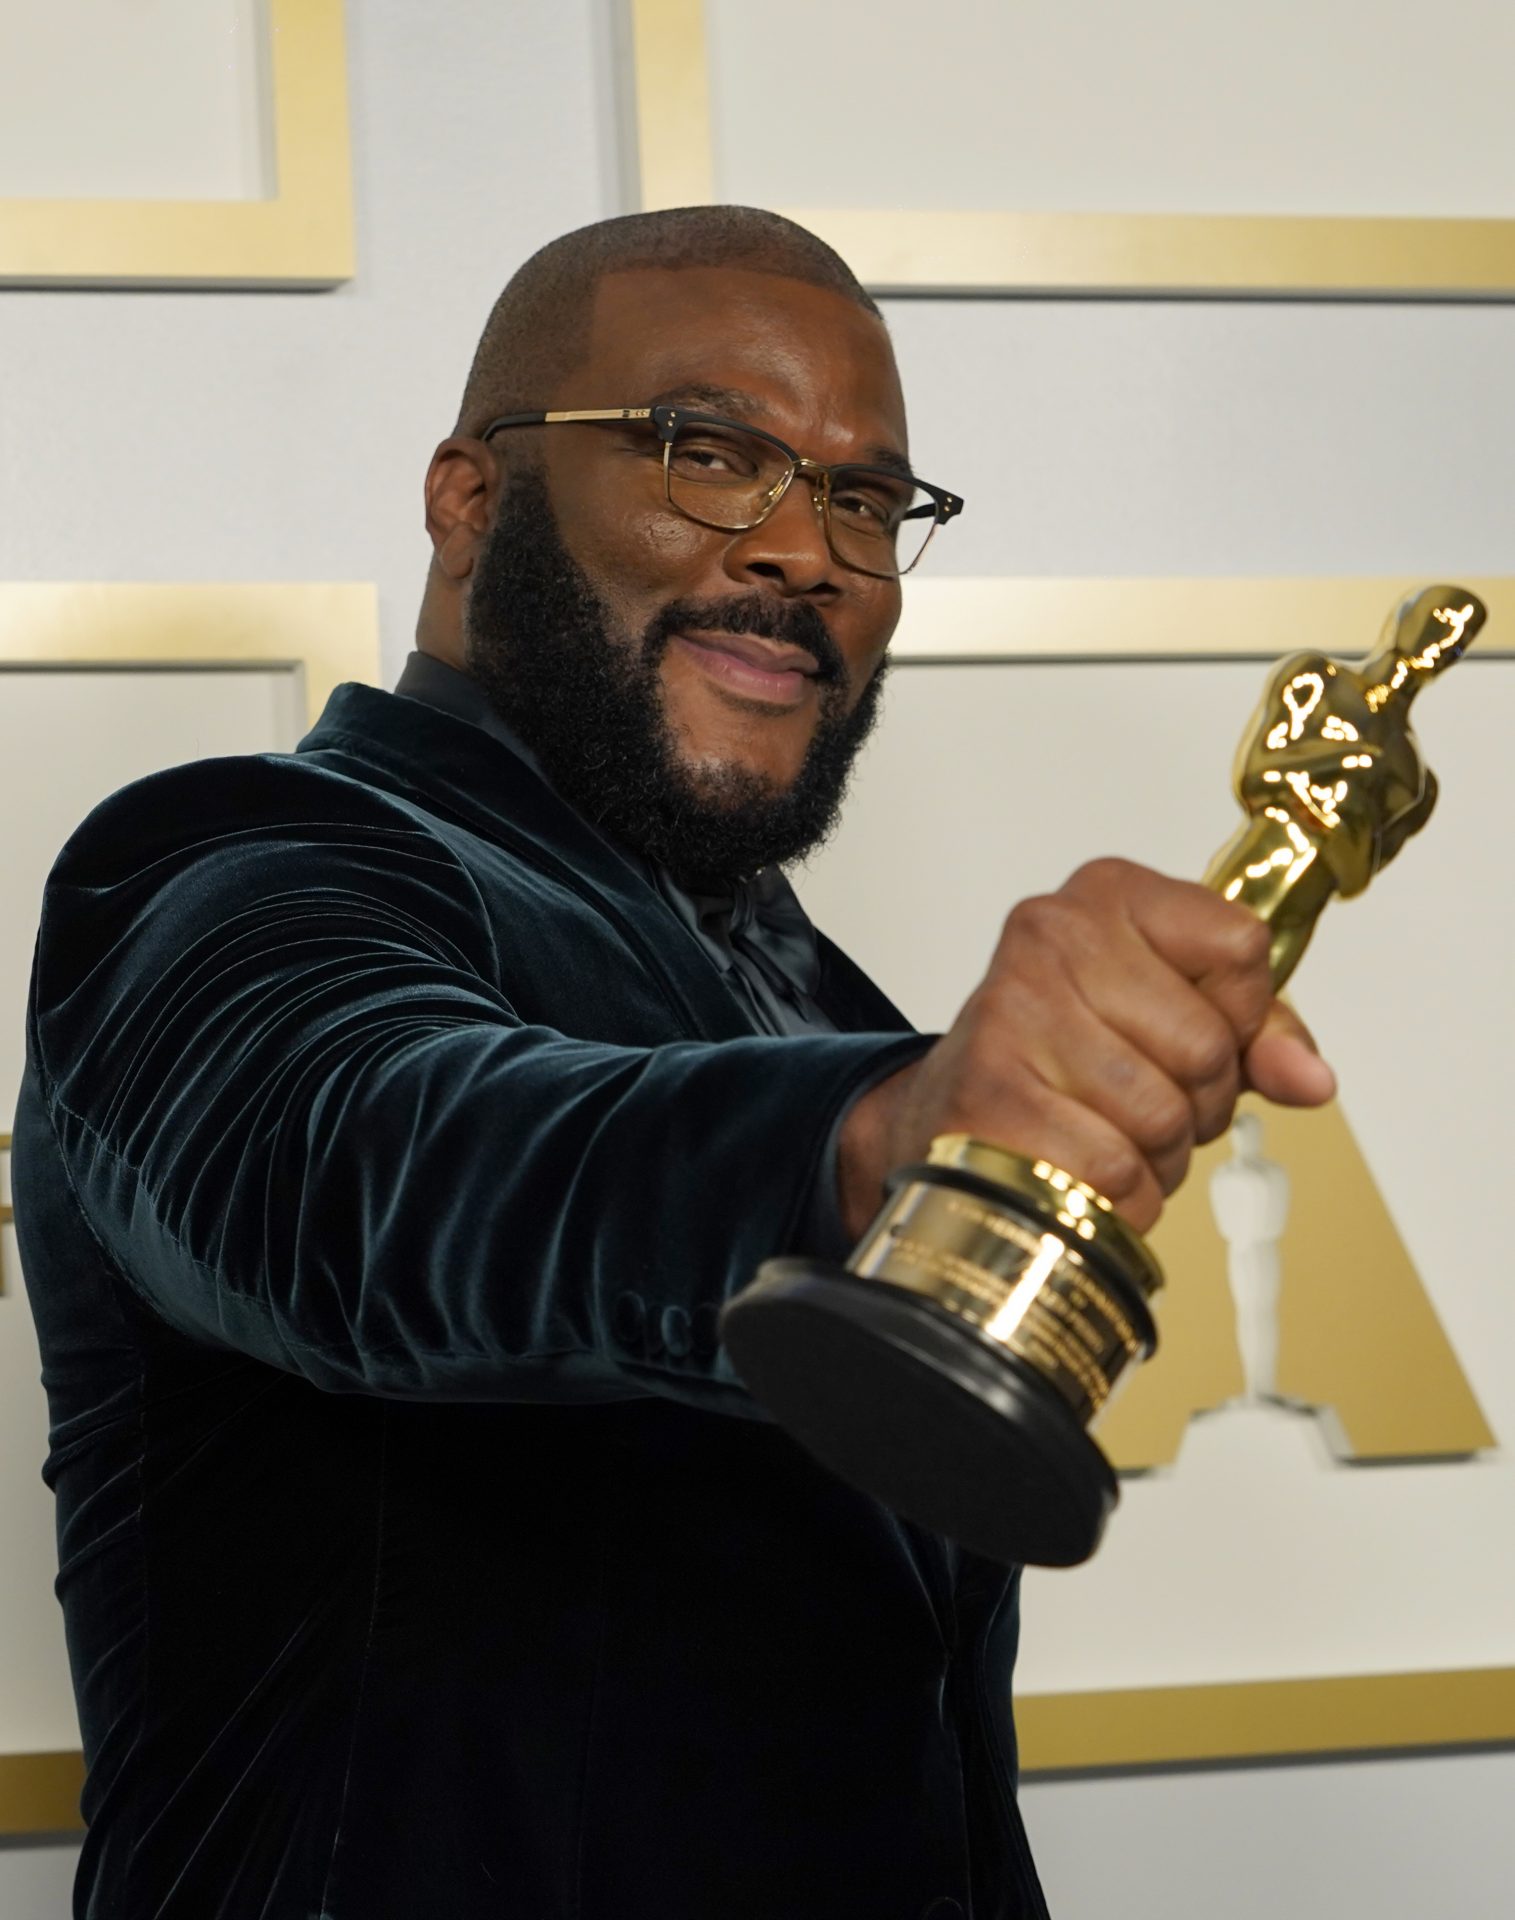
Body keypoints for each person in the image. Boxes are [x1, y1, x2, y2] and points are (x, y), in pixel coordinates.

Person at [12, 207, 1335, 1920]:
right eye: (708, 453)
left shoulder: (816, 999)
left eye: (865, 500)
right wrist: (876, 1140)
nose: (807, 551)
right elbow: (369, 1162)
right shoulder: (233, 862)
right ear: (470, 496)